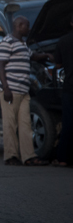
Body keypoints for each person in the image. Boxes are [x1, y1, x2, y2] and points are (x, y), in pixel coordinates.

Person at [0, 16, 51, 166]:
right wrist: (6, 88)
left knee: (25, 124)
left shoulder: (22, 43)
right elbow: (0, 66)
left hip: (23, 91)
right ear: (19, 26)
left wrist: (46, 55)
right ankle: (11, 156)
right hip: (10, 90)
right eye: (27, 26)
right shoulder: (7, 42)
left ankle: (28, 156)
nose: (29, 29)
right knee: (10, 124)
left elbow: (32, 56)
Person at [53, 15, 73, 167]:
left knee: (68, 124)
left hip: (69, 88)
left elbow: (58, 65)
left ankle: (63, 159)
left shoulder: (63, 41)